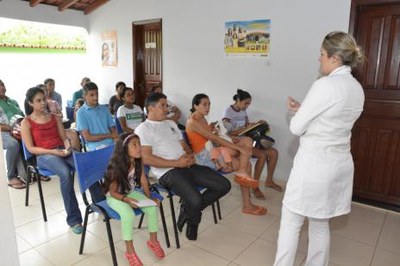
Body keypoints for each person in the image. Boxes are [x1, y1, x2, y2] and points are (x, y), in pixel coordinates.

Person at [273, 31, 365, 266]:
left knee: (291, 222)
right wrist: (305, 108)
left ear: (334, 57)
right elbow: (332, 118)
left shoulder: (325, 85)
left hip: (314, 167)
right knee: (320, 223)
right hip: (338, 165)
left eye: (322, 54)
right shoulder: (356, 88)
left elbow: (296, 127)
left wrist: (300, 114)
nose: (319, 59)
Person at [135, 92, 231, 240]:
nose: (166, 109)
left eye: (167, 105)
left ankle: (188, 208)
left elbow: (184, 146)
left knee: (223, 184)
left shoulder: (171, 124)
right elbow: (147, 159)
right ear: (150, 108)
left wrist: (190, 156)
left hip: (186, 165)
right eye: (162, 106)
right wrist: (176, 163)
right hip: (168, 172)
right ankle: (193, 223)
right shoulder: (144, 129)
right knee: (196, 199)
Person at [186, 93, 267, 216]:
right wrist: (238, 147)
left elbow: (215, 138)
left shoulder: (202, 117)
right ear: (195, 106)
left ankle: (242, 175)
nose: (208, 107)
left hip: (212, 149)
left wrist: (230, 138)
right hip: (205, 157)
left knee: (248, 141)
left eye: (209, 104)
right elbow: (215, 140)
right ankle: (247, 204)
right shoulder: (193, 121)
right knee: (244, 159)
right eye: (204, 104)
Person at [21, 86, 83, 233]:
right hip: (44, 155)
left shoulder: (55, 118)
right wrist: (53, 152)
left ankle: (99, 203)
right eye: (38, 101)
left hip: (61, 150)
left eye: (44, 99)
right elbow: (31, 148)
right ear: (31, 103)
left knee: (84, 164)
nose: (43, 103)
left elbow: (64, 138)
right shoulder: (26, 122)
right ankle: (74, 220)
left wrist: (68, 147)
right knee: (65, 173)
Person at [103, 133, 165, 266]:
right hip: (115, 197)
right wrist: (126, 200)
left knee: (152, 207)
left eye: (139, 144)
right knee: (128, 214)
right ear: (124, 148)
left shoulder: (137, 160)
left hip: (129, 192)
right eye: (134, 145)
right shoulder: (116, 166)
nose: (139, 148)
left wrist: (149, 199)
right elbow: (112, 192)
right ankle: (130, 251)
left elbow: (143, 179)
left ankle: (153, 242)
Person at [223, 89, 281, 199]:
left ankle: (269, 181)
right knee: (262, 155)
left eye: (248, 104)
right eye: (246, 103)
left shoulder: (243, 110)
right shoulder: (228, 111)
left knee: (274, 152)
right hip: (239, 143)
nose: (247, 106)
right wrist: (245, 128)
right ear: (238, 100)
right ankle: (255, 187)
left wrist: (258, 123)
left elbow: (246, 125)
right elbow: (227, 133)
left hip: (248, 139)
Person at [0, 79, 27, 189]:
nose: (2, 87)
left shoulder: (13, 101)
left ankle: (34, 170)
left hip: (18, 129)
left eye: (2, 84)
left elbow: (23, 116)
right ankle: (11, 176)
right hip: (3, 132)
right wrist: (11, 129)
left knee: (34, 138)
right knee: (13, 144)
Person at [76, 82, 118, 151]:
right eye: (92, 95)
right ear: (84, 96)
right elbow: (88, 137)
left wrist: (116, 139)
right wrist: (109, 135)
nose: (95, 97)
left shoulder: (104, 109)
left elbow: (113, 131)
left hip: (111, 143)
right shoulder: (80, 113)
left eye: (97, 94)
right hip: (93, 146)